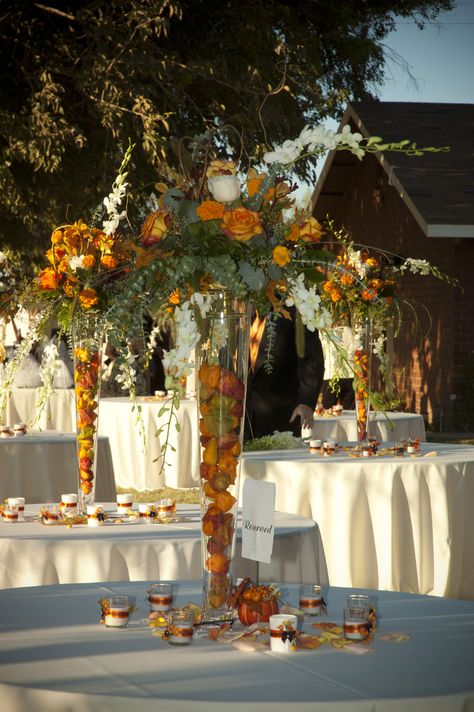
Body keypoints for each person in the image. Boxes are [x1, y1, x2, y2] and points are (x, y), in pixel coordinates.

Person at [244, 309, 324, 440]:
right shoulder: (243, 311)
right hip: (243, 421)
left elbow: (310, 357)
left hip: (281, 417)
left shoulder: (293, 309)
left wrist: (306, 402)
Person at [320, 325, 355, 410]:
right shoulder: (349, 330)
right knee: (348, 414)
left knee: (326, 411)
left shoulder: (323, 333)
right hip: (349, 375)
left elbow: (321, 355)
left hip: (332, 375)